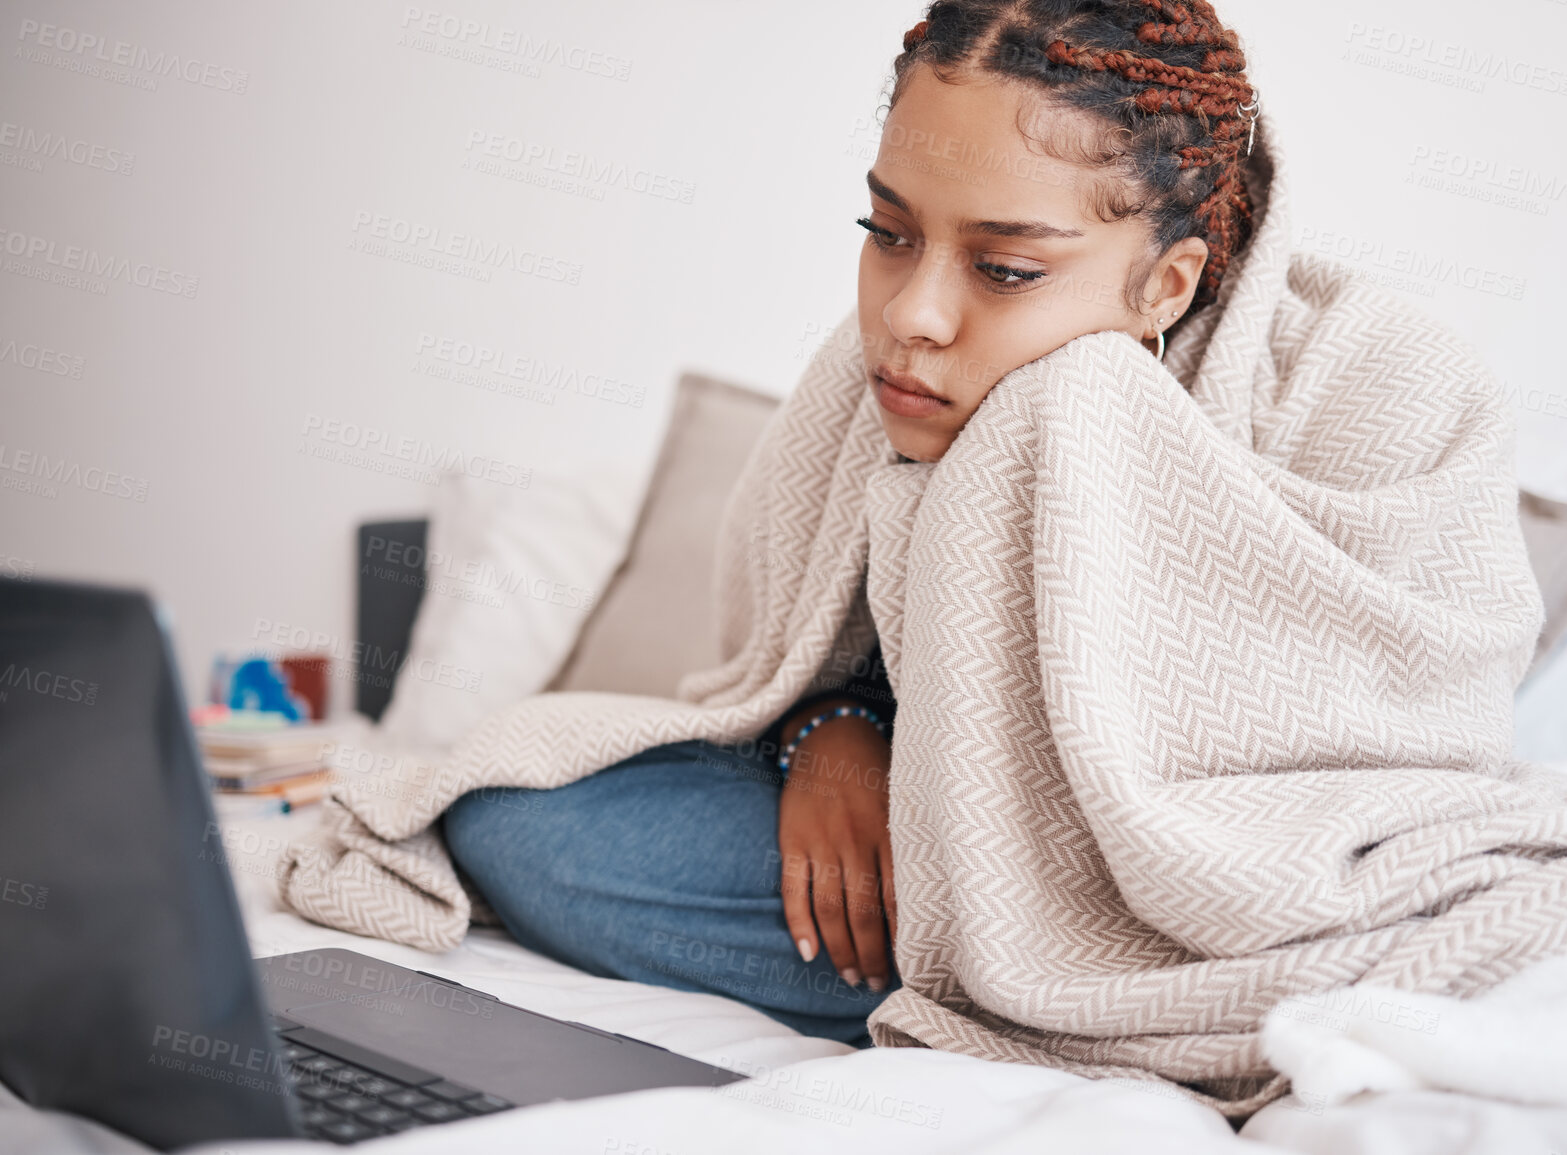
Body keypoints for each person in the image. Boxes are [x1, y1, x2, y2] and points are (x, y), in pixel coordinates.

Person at [443, 0, 1261, 1049]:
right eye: (890, 233)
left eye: (1005, 268)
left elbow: (1315, 778)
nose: (909, 315)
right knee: (515, 815)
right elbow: (788, 659)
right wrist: (828, 732)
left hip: (1137, 895)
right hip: (910, 856)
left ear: (1165, 284)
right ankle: (1008, 978)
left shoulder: (1336, 384)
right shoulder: (865, 389)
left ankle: (1072, 987)